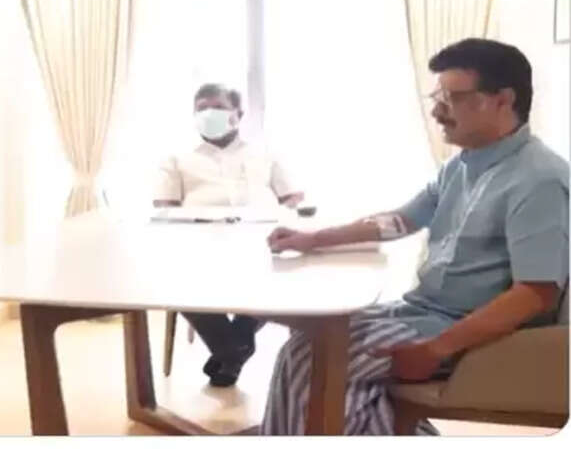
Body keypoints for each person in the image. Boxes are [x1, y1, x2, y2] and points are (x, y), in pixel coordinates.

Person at [263, 38, 568, 434]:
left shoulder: (539, 180)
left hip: (474, 335)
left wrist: (436, 349)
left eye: (453, 98)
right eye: (438, 97)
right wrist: (313, 239)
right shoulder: (461, 166)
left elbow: (536, 294)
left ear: (502, 100)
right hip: (423, 312)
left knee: (312, 362)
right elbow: (400, 222)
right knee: (313, 342)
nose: (438, 111)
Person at [153, 83, 305, 387]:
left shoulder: (266, 154)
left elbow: (292, 199)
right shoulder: (177, 158)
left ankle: (233, 346)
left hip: (261, 244)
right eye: (202, 108)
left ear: (238, 113)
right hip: (199, 245)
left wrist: (284, 220)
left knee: (286, 275)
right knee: (176, 280)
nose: (210, 113)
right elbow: (164, 207)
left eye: (219, 107)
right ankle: (235, 348)